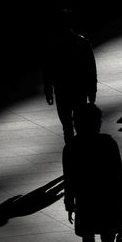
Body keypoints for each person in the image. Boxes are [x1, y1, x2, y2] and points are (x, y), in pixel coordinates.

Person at [63, 104, 122, 242]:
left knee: (88, 236)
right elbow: (118, 172)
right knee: (108, 240)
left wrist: (69, 202)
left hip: (86, 199)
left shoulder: (72, 147)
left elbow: (69, 178)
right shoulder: (108, 143)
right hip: (108, 199)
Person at [43, 9, 98, 143]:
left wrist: (48, 90)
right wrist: (92, 90)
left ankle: (71, 151)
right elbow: (91, 68)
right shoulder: (82, 42)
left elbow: (48, 70)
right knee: (80, 123)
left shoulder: (53, 45)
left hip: (62, 90)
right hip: (79, 89)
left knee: (67, 127)